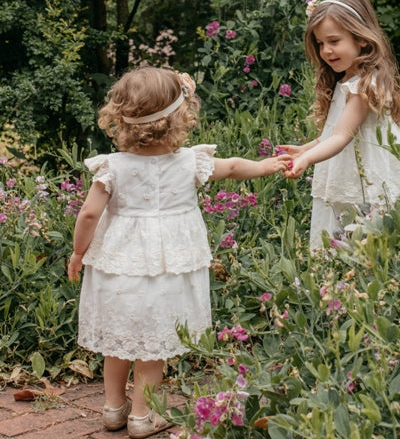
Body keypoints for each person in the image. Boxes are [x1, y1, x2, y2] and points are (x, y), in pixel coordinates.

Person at [67, 66, 288, 439]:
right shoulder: (189, 162)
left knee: (117, 341)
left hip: (119, 265)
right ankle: (142, 416)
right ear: (180, 119)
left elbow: (89, 213)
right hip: (169, 267)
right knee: (152, 344)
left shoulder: (113, 167)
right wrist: (268, 165)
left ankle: (112, 410)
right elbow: (233, 167)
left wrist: (78, 253)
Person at [282, 0, 400, 251]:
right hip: (348, 179)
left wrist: (306, 159)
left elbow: (341, 137)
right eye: (320, 43)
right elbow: (334, 133)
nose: (326, 50)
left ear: (361, 38)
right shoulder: (348, 81)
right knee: (343, 245)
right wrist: (305, 149)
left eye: (334, 41)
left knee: (363, 247)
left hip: (364, 184)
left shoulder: (364, 87)